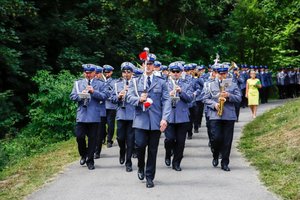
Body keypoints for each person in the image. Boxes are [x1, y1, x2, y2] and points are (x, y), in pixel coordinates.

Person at [127, 53, 171, 188]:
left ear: (154, 66)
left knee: (153, 150)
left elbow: (166, 100)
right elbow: (129, 97)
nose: (148, 66)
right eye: (146, 64)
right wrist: (139, 99)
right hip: (141, 120)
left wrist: (165, 119)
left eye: (151, 64)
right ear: (142, 65)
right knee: (140, 146)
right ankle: (141, 166)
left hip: (156, 121)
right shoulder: (135, 81)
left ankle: (150, 176)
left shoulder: (161, 82)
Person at [202, 63, 242, 172]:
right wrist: (214, 105)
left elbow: (239, 98)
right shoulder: (210, 85)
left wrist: (229, 96)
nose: (222, 75)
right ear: (216, 73)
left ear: (227, 73)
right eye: (220, 73)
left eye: (224, 73)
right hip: (215, 115)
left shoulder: (233, 85)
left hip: (229, 116)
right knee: (216, 138)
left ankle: (225, 162)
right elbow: (205, 99)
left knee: (227, 141)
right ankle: (215, 154)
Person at [70, 64, 109, 170]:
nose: (87, 75)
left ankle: (90, 160)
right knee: (79, 137)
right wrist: (80, 95)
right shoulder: (78, 83)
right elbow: (72, 96)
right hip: (82, 114)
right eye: (86, 73)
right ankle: (83, 154)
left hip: (94, 115)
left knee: (93, 139)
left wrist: (93, 92)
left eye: (90, 73)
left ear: (94, 73)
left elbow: (105, 96)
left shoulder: (100, 84)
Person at [164, 62, 193, 171]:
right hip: (169, 116)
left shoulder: (186, 84)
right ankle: (168, 153)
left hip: (182, 116)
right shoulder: (164, 83)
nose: (175, 73)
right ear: (169, 72)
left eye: (177, 72)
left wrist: (181, 92)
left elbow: (190, 98)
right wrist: (169, 95)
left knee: (181, 142)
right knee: (169, 139)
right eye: (173, 71)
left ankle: (176, 162)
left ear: (181, 73)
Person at [111, 62, 136, 172]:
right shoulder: (117, 84)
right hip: (121, 114)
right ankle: (122, 150)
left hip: (132, 114)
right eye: (124, 72)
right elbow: (112, 99)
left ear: (132, 73)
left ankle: (128, 161)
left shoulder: (135, 84)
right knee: (120, 138)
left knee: (130, 139)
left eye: (128, 72)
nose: (126, 74)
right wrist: (119, 96)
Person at [102, 65, 117, 148]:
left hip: (111, 106)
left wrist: (107, 96)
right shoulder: (101, 81)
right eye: (105, 72)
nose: (106, 74)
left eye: (108, 72)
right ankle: (102, 137)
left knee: (110, 124)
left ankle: (109, 140)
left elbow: (114, 93)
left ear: (111, 72)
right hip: (102, 106)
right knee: (102, 124)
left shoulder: (114, 82)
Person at [94, 65, 107, 159]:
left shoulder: (103, 83)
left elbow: (105, 96)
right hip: (91, 112)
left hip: (101, 111)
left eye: (98, 73)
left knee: (99, 133)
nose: (96, 75)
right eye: (96, 73)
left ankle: (97, 151)